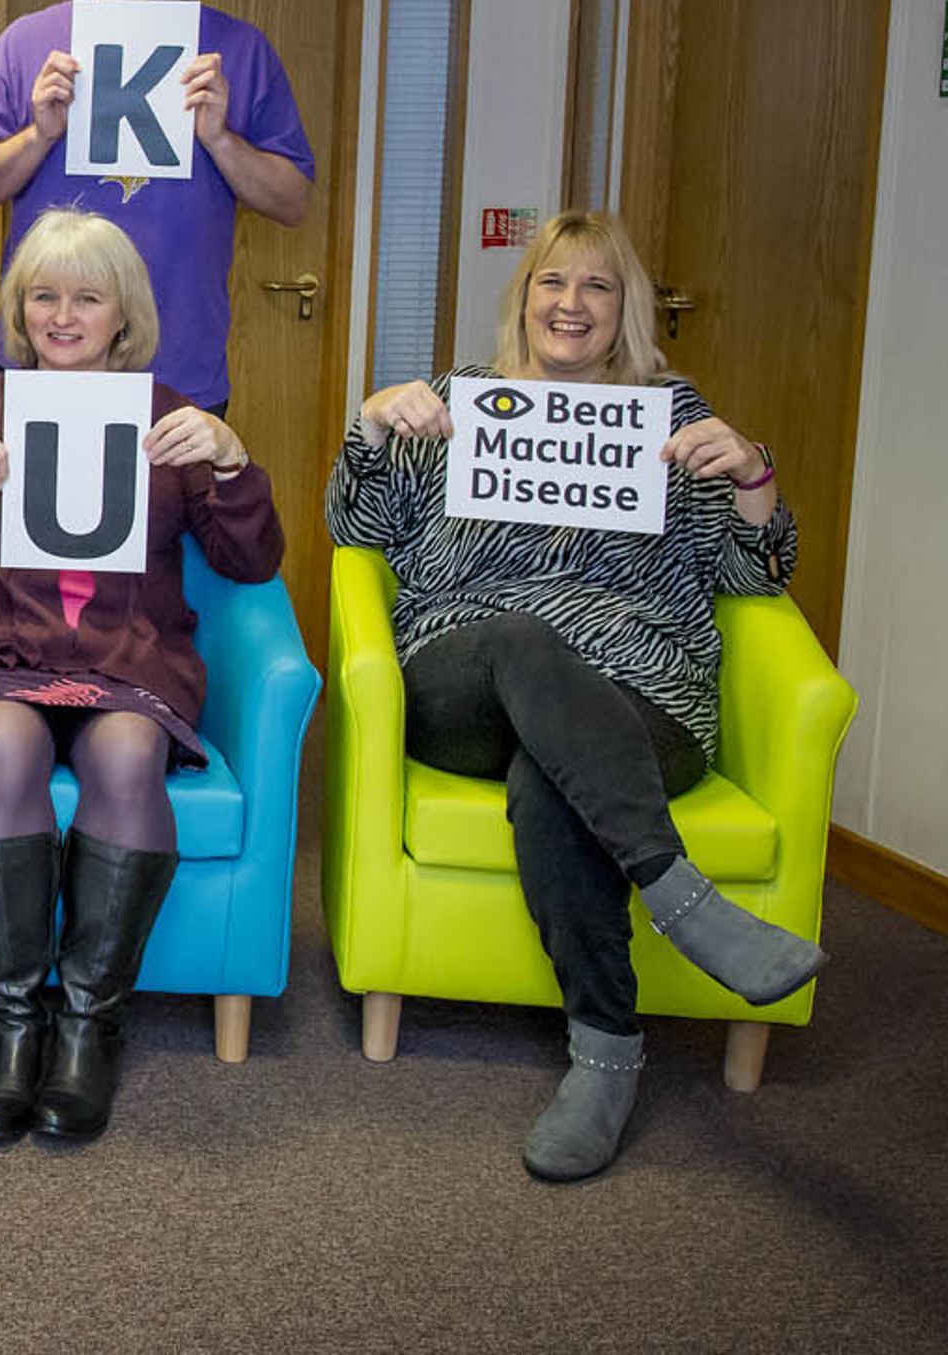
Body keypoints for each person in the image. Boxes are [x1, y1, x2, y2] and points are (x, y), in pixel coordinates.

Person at [327, 209, 819, 1182]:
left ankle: (603, 1056)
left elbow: (755, 578)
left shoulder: (675, 417)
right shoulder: (460, 399)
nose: (571, 303)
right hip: (465, 670)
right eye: (553, 281)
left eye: (597, 286)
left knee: (550, 779)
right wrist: (375, 424)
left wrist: (755, 476)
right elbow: (355, 528)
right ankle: (684, 899)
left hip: (641, 685)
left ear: (625, 307)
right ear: (524, 299)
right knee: (522, 638)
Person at [0, 209, 281, 1145]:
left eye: (86, 297)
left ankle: (88, 1025)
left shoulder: (174, 419)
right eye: (42, 295)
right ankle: (11, 1024)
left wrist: (233, 459)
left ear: (122, 315)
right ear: (18, 308)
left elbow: (251, 564)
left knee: (127, 754)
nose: (61, 314)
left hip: (131, 657)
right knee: (4, 744)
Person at [0, 0, 311, 410]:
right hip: (39, 361)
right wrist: (38, 135)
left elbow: (292, 202)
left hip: (179, 372)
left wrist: (219, 139)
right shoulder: (28, 40)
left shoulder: (239, 49)